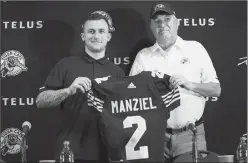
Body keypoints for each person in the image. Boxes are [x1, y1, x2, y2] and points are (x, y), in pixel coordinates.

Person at [129, 3, 221, 162]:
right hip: (155, 136)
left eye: (167, 19)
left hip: (190, 134)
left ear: (177, 22)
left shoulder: (195, 49)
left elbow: (216, 90)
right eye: (157, 21)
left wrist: (190, 84)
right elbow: (131, 98)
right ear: (151, 26)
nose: (162, 24)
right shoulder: (143, 56)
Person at [35, 10, 124, 161]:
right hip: (70, 150)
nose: (96, 36)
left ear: (108, 37)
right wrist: (68, 90)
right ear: (83, 36)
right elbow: (41, 101)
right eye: (91, 31)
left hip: (107, 152)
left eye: (101, 31)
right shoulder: (66, 65)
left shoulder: (118, 72)